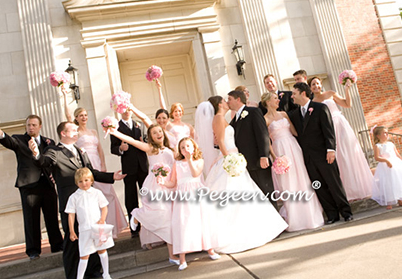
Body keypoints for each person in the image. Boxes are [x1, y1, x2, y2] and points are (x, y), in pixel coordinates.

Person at [29, 121, 125, 279]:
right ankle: (74, 276)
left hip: (90, 206)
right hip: (71, 206)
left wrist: (112, 176)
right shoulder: (53, 150)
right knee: (73, 241)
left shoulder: (81, 151)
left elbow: (90, 172)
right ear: (63, 133)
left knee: (94, 238)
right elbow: (45, 162)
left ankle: (94, 274)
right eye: (73, 130)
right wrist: (37, 155)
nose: (76, 132)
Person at [195, 98, 287, 252]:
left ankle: (251, 230)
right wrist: (229, 159)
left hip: (234, 158)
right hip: (230, 160)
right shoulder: (218, 118)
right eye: (224, 100)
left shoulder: (223, 119)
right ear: (219, 104)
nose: (226, 102)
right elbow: (222, 143)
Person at [106, 124, 179, 264]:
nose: (158, 134)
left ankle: (172, 255)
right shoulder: (151, 149)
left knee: (169, 219)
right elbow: (131, 141)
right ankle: (137, 215)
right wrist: (114, 132)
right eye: (154, 133)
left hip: (169, 184)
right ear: (150, 137)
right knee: (161, 214)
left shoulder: (169, 149)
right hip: (155, 184)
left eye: (160, 131)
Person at [62, 88, 127, 238]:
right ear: (76, 118)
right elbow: (67, 116)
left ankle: (113, 229)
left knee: (108, 194)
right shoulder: (76, 132)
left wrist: (103, 165)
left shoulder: (93, 131)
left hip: (98, 164)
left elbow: (100, 150)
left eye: (85, 115)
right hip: (87, 166)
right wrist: (65, 97)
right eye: (80, 116)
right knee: (95, 198)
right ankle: (101, 231)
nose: (84, 117)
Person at [0, 116, 63, 260]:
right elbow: (8, 141)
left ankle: (57, 244)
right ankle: (33, 250)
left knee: (52, 215)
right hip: (29, 186)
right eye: (28, 125)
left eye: (33, 125)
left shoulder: (48, 141)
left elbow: (53, 161)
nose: (30, 128)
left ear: (40, 126)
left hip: (47, 184)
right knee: (31, 218)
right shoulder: (19, 140)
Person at [288, 83, 353, 224]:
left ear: (303, 93)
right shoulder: (293, 115)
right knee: (319, 186)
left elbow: (329, 131)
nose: (292, 96)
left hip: (325, 154)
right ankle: (332, 214)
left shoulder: (320, 108)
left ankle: (346, 212)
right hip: (309, 158)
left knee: (334, 183)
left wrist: (331, 150)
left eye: (294, 93)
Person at [261, 93, 324, 231]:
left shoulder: (284, 114)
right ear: (267, 102)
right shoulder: (264, 119)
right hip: (279, 149)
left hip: (293, 147)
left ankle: (311, 216)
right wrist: (275, 157)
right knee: (288, 183)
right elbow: (267, 141)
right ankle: (296, 218)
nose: (278, 100)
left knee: (302, 178)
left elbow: (295, 132)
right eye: (274, 99)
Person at [308, 77, 373, 201]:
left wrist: (347, 89)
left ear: (321, 84)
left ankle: (360, 188)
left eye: (317, 83)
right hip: (328, 130)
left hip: (340, 125)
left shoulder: (331, 94)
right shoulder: (312, 102)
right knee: (339, 158)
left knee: (349, 154)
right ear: (310, 88)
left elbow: (347, 104)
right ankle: (347, 192)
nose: (315, 86)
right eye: (312, 84)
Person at [159, 138, 220, 271]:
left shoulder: (199, 161)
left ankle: (210, 249)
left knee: (202, 220)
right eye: (182, 147)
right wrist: (163, 182)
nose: (185, 149)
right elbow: (173, 182)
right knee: (183, 223)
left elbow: (195, 173)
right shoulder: (177, 163)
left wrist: (190, 159)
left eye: (188, 146)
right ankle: (182, 258)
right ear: (179, 150)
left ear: (193, 147)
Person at [227, 90, 277, 209]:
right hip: (246, 164)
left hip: (258, 160)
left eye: (229, 99)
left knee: (267, 191)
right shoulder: (234, 120)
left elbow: (263, 134)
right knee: (257, 194)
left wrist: (264, 155)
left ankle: (278, 224)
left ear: (238, 99)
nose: (227, 102)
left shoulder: (253, 112)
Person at [65, 168, 114, 279]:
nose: (84, 184)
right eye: (81, 181)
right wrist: (72, 231)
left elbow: (104, 207)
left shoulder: (97, 193)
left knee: (102, 250)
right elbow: (71, 215)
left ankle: (106, 273)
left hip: (98, 227)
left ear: (91, 180)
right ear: (76, 183)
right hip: (84, 229)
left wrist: (102, 219)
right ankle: (79, 277)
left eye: (86, 180)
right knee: (84, 255)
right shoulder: (74, 197)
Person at [110, 108, 149, 238]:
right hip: (129, 166)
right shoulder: (116, 127)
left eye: (128, 109)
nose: (127, 112)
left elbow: (147, 140)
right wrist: (120, 148)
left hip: (143, 165)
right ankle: (134, 228)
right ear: (119, 111)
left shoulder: (140, 124)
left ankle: (150, 224)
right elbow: (113, 148)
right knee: (131, 198)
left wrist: (145, 142)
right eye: (124, 110)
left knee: (147, 196)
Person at [371, 126, 402, 209]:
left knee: (397, 181)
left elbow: (397, 154)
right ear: (378, 135)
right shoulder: (378, 146)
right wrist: (386, 161)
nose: (386, 134)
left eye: (387, 132)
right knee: (389, 182)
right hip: (386, 166)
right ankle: (389, 201)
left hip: (396, 164)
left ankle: (400, 200)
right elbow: (376, 157)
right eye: (384, 133)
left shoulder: (391, 144)